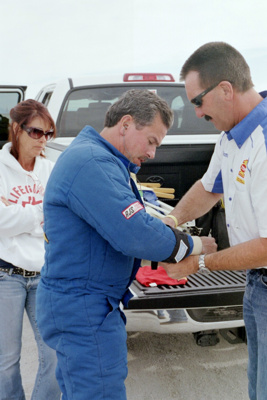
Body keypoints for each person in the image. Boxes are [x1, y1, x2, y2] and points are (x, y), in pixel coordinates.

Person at [36, 89, 217, 400]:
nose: (153, 154)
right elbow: (135, 233)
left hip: (87, 302)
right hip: (83, 306)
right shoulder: (91, 162)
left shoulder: (102, 160)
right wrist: (195, 245)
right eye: (151, 141)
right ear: (126, 124)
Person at [161, 42, 267, 400]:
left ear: (225, 89)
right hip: (257, 285)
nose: (196, 113)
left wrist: (199, 263)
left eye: (197, 102)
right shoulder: (231, 138)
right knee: (257, 384)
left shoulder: (264, 144)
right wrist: (170, 220)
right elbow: (209, 189)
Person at [0, 99, 61, 400]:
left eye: (47, 134)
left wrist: (17, 215)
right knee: (6, 362)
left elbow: (58, 219)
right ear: (16, 128)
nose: (42, 140)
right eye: (35, 132)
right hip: (5, 274)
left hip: (44, 275)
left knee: (55, 355)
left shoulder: (51, 170)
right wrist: (38, 213)